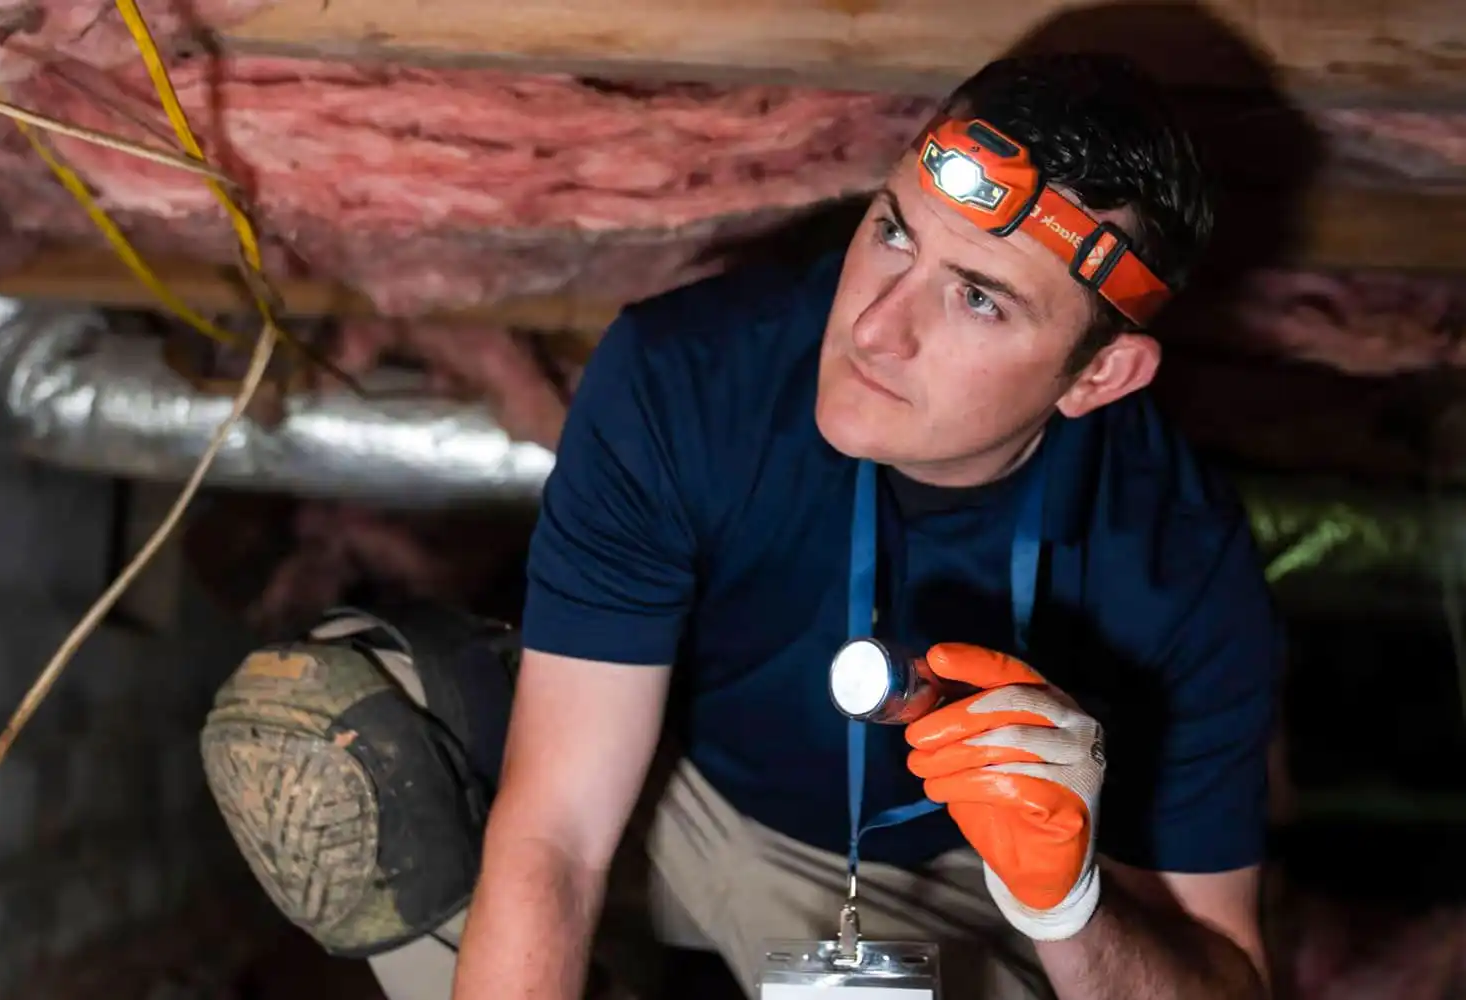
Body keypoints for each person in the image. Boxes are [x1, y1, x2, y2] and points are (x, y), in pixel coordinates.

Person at [200, 51, 1283, 1000]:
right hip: (674, 801)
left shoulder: (1183, 563)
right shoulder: (688, 380)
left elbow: (1227, 974)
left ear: (1100, 376)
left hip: (932, 893)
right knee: (324, 741)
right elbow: (559, 829)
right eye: (894, 233)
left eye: (978, 298)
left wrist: (1066, 903)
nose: (877, 326)